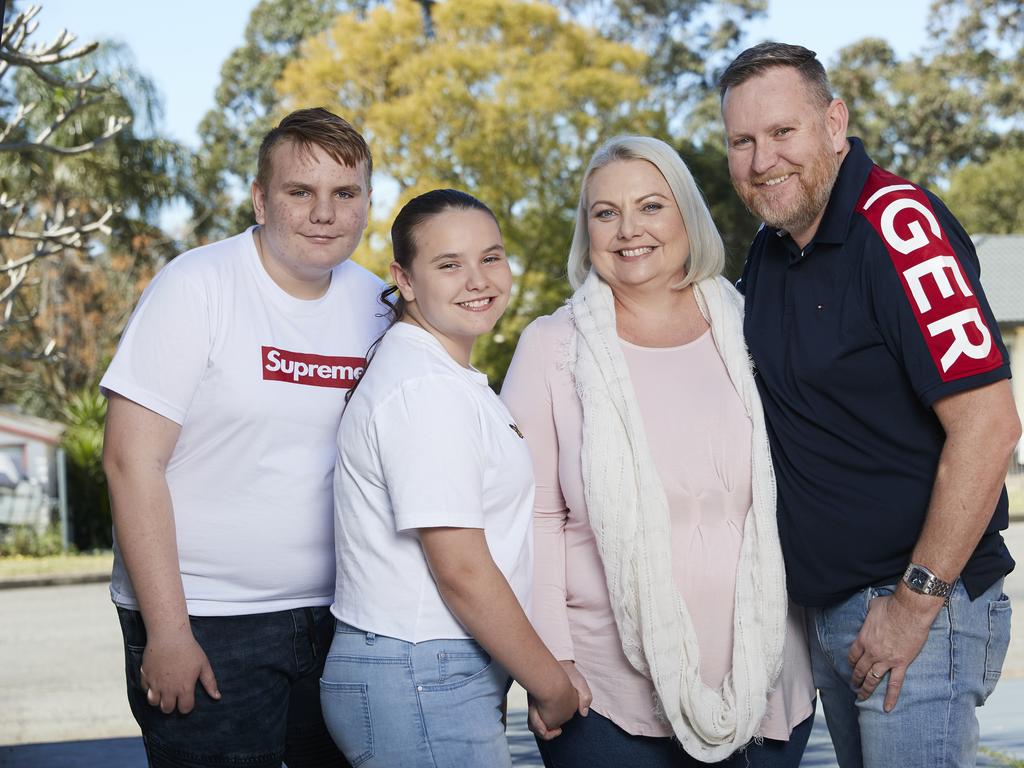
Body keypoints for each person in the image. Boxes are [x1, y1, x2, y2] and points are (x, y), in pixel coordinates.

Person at [719, 42, 1019, 768]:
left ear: (833, 122)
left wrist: (913, 606)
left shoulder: (900, 227)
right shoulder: (769, 250)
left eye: (782, 132)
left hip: (916, 604)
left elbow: (988, 423)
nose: (763, 160)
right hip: (829, 615)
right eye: (742, 142)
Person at [500, 136, 816, 767]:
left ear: (686, 218)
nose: (628, 230)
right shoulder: (550, 347)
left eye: (650, 206)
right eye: (605, 212)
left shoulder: (755, 325)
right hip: (604, 695)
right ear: (586, 229)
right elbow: (532, 517)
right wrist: (552, 664)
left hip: (762, 676)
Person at [101, 107, 386, 768]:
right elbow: (129, 462)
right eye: (299, 192)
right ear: (261, 200)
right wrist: (168, 632)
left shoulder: (378, 307)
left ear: (365, 205)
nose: (324, 212)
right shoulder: (194, 288)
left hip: (341, 618)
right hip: (206, 619)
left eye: (344, 194)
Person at [320, 188, 578, 767]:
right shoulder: (426, 388)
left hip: (427, 670)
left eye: (490, 257)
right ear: (405, 280)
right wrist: (550, 682)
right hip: (418, 671)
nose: (478, 279)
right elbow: (460, 567)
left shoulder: (445, 375)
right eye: (449, 264)